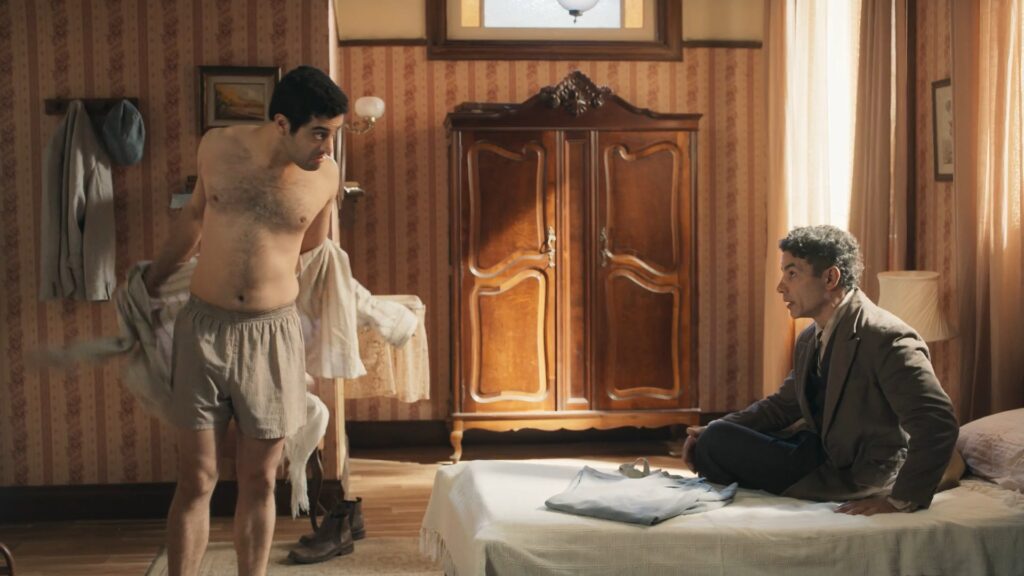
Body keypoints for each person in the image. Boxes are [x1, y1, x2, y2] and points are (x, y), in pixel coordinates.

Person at [143, 65, 347, 576]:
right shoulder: (217, 148)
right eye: (318, 133)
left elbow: (313, 246)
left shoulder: (326, 176)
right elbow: (194, 217)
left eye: (334, 134)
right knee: (197, 478)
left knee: (259, 480)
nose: (328, 147)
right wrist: (153, 279)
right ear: (282, 123)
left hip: (272, 336)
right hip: (203, 330)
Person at [682, 225, 958, 515]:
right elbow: (782, 406)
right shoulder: (809, 338)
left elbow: (937, 421)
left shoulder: (886, 337)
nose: (780, 287)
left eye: (792, 274)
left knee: (716, 443)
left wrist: (899, 500)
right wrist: (711, 429)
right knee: (713, 438)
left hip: (860, 472)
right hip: (817, 452)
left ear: (830, 278)